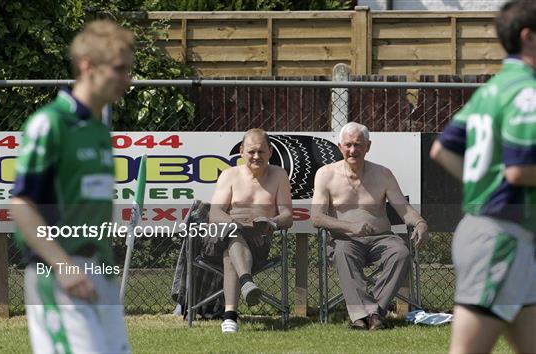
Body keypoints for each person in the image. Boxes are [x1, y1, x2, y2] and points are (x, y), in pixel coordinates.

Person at [11, 20, 134, 353]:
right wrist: (64, 268)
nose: (128, 79)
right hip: (59, 274)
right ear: (87, 65)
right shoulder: (48, 124)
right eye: (119, 69)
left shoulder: (98, 130)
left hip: (97, 272)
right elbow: (22, 205)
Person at [430, 0, 536, 352]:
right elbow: (519, 170)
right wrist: (494, 193)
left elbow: (441, 150)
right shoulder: (526, 92)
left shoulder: (493, 89)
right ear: (529, 37)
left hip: (504, 237)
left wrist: (485, 190)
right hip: (500, 241)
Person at [311, 122, 429, 330]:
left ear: (368, 146)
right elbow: (317, 217)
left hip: (382, 238)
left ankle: (373, 312)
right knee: (343, 253)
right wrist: (349, 226)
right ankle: (364, 315)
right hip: (344, 239)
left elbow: (404, 210)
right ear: (340, 147)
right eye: (348, 145)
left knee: (401, 253)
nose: (352, 150)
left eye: (358, 144)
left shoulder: (383, 174)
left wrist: (420, 222)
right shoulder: (325, 174)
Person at [209, 128, 293, 333]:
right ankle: (245, 284)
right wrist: (235, 223)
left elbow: (287, 216)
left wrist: (271, 222)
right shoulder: (229, 175)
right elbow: (215, 213)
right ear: (241, 151)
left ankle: (230, 317)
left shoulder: (279, 175)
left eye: (261, 152)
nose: (256, 156)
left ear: (270, 152)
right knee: (233, 236)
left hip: (259, 243)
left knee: (231, 255)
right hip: (224, 237)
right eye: (251, 151)